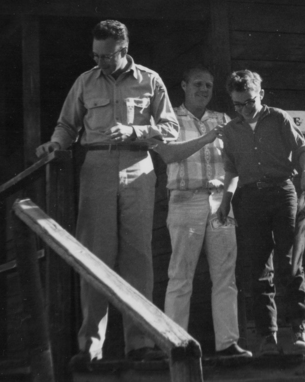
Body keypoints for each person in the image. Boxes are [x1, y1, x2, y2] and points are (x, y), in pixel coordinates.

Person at [35, 20, 179, 366]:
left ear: (124, 51)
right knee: (94, 255)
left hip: (138, 168)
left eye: (106, 56)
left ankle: (140, 342)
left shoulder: (150, 80)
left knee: (137, 259)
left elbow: (171, 128)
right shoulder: (84, 82)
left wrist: (133, 130)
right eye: (95, 55)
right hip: (96, 168)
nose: (99, 61)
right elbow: (67, 125)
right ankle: (91, 347)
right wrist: (56, 143)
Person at [149, 66, 252, 358]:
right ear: (183, 85)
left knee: (225, 275)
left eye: (208, 85)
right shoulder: (169, 118)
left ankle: (228, 344)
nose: (203, 89)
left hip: (220, 201)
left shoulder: (223, 120)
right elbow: (168, 154)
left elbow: (239, 160)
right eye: (197, 84)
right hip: (185, 199)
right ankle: (174, 346)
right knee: (180, 275)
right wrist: (207, 139)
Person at [216, 70, 305, 355]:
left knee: (289, 260)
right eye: (237, 104)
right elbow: (232, 169)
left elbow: (303, 150)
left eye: (249, 102)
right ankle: (267, 336)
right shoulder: (231, 130)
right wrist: (226, 200)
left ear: (260, 94)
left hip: (282, 192)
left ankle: (299, 330)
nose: (244, 109)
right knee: (258, 267)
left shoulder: (279, 118)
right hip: (249, 198)